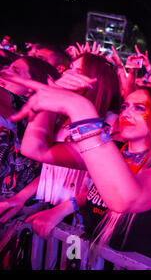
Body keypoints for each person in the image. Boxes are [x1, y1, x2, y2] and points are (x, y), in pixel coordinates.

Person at [1, 72, 151, 266]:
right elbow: (36, 149)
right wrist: (50, 100)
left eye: (139, 108)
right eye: (124, 106)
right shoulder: (114, 151)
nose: (126, 113)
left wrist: (80, 108)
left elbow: (124, 200)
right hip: (91, 257)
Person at [0, 53, 120, 223]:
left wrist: (61, 211)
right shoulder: (64, 117)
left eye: (76, 71)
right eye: (69, 69)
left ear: (94, 80)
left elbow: (105, 183)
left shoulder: (112, 124)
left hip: (81, 218)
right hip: (52, 208)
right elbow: (52, 166)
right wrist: (20, 198)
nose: (66, 76)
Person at [0, 56, 59, 197]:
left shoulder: (29, 109)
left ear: (31, 88)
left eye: (15, 71)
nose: (4, 73)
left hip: (12, 206)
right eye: (6, 68)